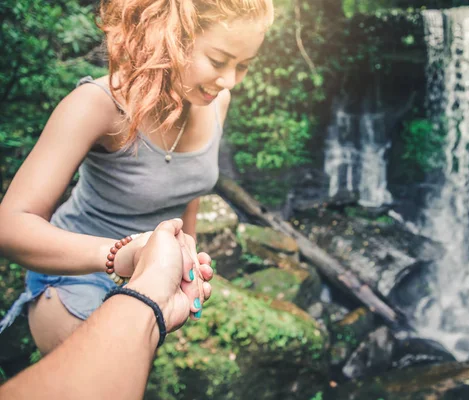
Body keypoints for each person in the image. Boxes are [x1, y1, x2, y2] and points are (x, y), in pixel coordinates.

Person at [0, 0, 274, 354]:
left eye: (244, 65)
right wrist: (117, 254)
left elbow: (186, 190)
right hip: (74, 279)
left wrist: (185, 260)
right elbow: (9, 226)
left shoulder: (216, 100)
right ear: (172, 38)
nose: (229, 80)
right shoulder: (98, 105)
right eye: (219, 61)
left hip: (149, 278)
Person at [0, 218, 208, 400]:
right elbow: (7, 226)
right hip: (72, 262)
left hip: (150, 260)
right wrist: (124, 254)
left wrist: (184, 257)